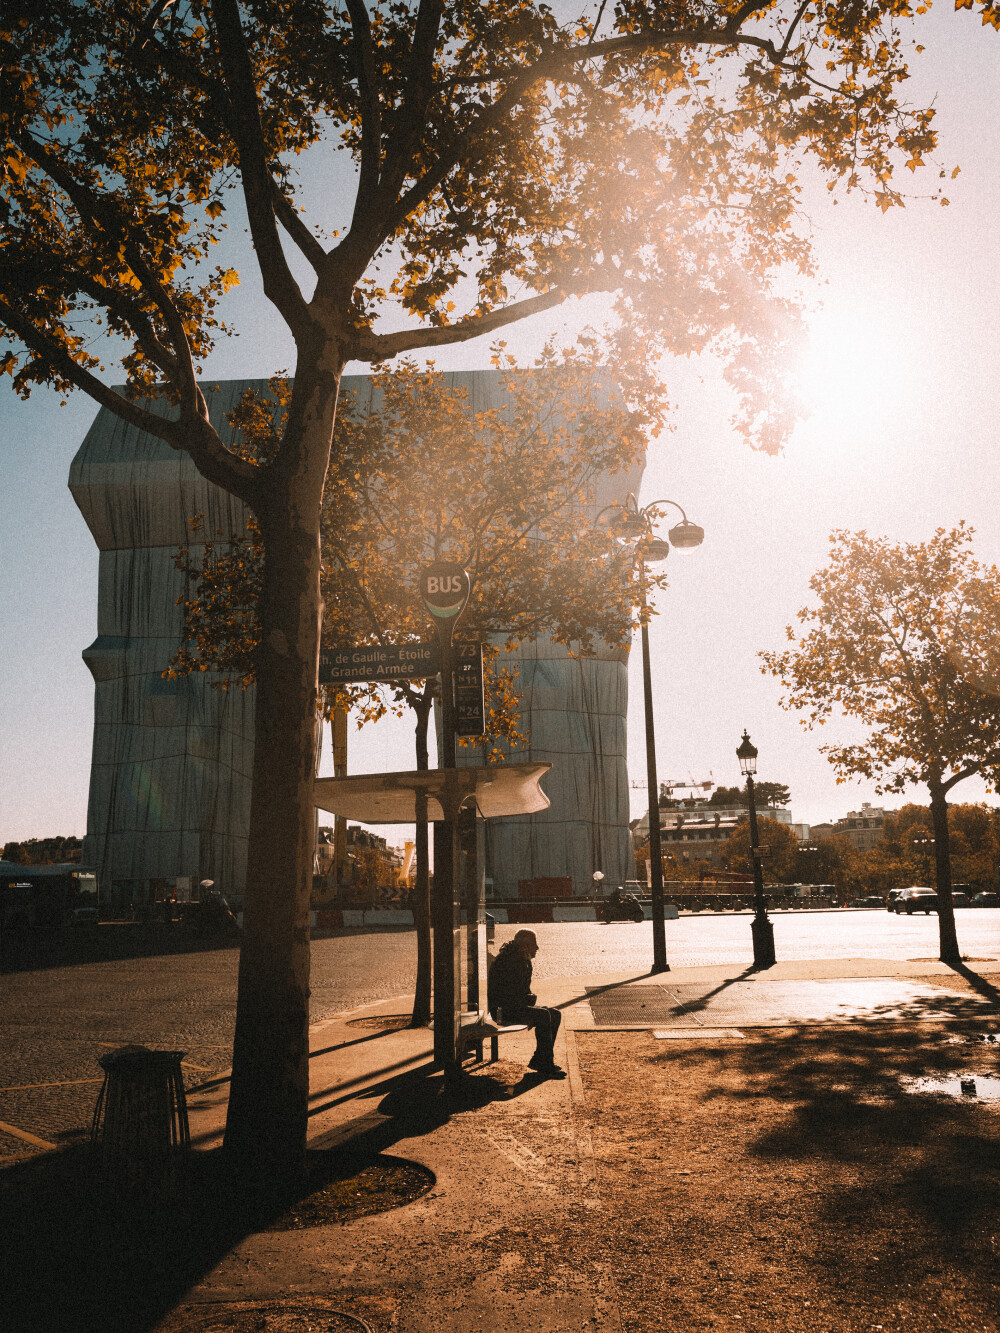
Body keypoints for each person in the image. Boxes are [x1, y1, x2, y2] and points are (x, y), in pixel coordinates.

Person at [487, 929, 565, 1078]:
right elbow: (511, 995)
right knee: (543, 1015)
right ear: (525, 946)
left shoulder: (517, 958)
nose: (537, 948)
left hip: (509, 1006)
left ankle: (540, 1059)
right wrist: (525, 1013)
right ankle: (545, 1064)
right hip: (502, 1011)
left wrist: (526, 1006)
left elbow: (518, 992)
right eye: (534, 944)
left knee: (555, 1013)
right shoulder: (513, 962)